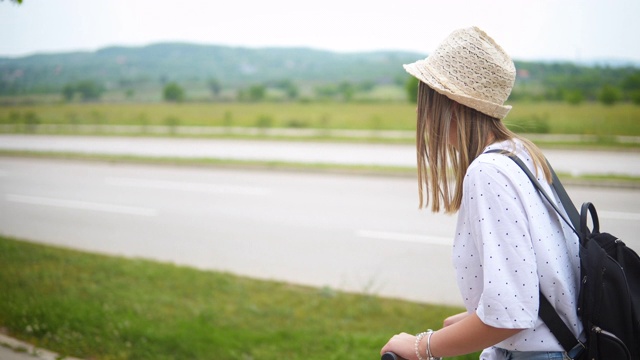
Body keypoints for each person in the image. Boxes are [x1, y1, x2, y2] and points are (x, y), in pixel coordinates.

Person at [380, 26, 585, 360]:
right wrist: (470, 320)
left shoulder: (487, 172)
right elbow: (544, 287)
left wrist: (421, 347)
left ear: (448, 104)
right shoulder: (521, 153)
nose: (420, 113)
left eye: (426, 98)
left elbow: (510, 316)